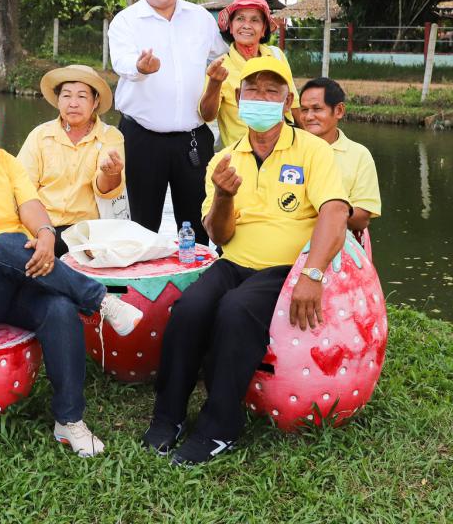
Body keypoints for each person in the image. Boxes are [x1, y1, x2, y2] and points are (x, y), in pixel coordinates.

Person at [0, 89, 143, 457]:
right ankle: (100, 300)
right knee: (5, 245)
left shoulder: (1, 161)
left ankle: (69, 420)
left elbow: (30, 204)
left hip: (21, 271)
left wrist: (46, 235)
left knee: (59, 309)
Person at [142, 56, 350, 465]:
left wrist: (312, 273)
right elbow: (219, 235)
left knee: (236, 310)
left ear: (287, 102)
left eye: (272, 91)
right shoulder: (225, 159)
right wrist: (223, 195)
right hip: (234, 262)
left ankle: (220, 427)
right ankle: (168, 415)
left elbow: (335, 211)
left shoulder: (312, 150)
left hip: (284, 268)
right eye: (253, 90)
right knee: (188, 309)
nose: (261, 98)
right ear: (238, 98)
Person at [108, 0, 227, 244]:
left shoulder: (200, 18)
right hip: (141, 137)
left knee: (197, 223)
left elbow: (225, 54)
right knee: (141, 224)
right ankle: (141, 272)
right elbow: (121, 62)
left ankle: (197, 272)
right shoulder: (126, 20)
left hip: (193, 138)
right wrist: (140, 67)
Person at [17, 65, 125, 256]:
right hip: (40, 228)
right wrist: (41, 232)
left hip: (86, 233)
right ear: (58, 100)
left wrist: (111, 173)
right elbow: (22, 189)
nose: (73, 103)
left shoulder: (110, 136)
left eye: (82, 96)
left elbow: (106, 190)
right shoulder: (40, 135)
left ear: (95, 102)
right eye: (66, 96)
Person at [198, 0, 292, 147]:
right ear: (231, 27)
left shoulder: (277, 56)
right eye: (240, 19)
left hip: (283, 150)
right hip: (239, 153)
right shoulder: (220, 66)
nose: (246, 25)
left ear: (264, 29)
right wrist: (215, 83)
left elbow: (294, 106)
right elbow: (207, 115)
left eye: (255, 20)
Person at [296, 77, 381, 236]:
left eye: (317, 109)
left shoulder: (359, 155)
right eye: (304, 110)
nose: (308, 117)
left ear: (339, 111)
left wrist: (331, 210)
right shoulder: (287, 147)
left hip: (335, 238)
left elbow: (362, 218)